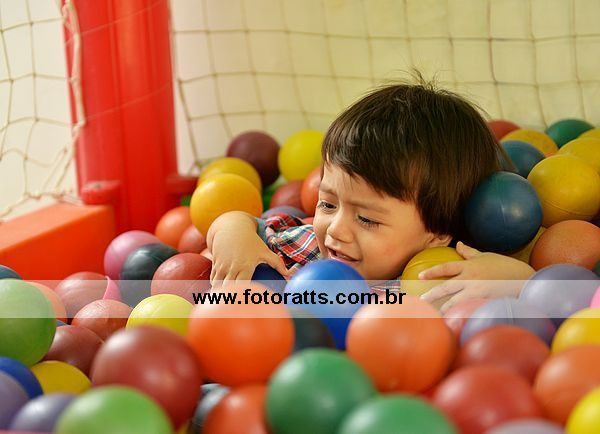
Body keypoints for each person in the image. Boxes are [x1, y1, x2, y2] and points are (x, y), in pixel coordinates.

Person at [207, 77, 535, 312]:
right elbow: (241, 223)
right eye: (327, 204)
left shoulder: (432, 285)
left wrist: (514, 277)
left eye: (366, 219)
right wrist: (235, 239)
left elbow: (543, 294)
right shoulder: (307, 251)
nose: (336, 229)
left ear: (437, 232)